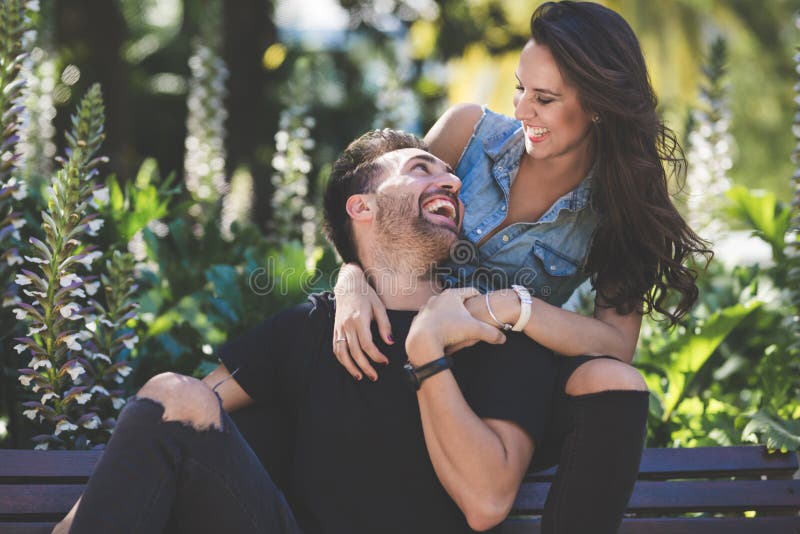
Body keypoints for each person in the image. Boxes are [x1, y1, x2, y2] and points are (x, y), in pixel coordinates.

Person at [55, 129, 564, 534]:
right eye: (420, 168)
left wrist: (427, 350)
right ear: (361, 207)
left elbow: (488, 502)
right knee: (173, 394)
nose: (452, 183)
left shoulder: (495, 334)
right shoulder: (307, 329)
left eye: (451, 176)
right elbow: (169, 419)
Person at [331, 2, 710, 533]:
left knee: (615, 380)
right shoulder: (467, 132)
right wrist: (349, 276)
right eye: (520, 88)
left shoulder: (621, 208)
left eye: (546, 98)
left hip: (506, 388)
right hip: (402, 355)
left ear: (599, 105)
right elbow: (375, 209)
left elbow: (614, 343)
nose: (523, 108)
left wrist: (511, 307)